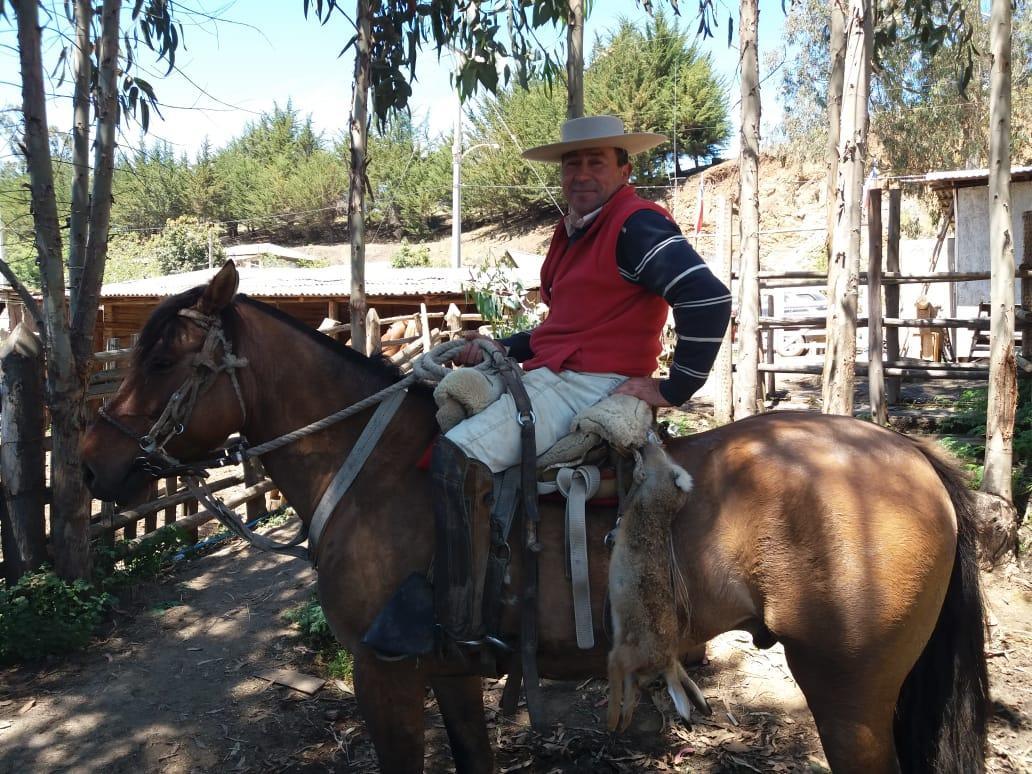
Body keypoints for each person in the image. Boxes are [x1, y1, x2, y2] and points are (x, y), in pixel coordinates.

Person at [369, 115, 732, 657]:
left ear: (624, 168)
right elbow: (562, 326)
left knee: (456, 455)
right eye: (572, 163)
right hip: (557, 370)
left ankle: (458, 622)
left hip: (589, 382)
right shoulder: (573, 232)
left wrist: (674, 389)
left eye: (596, 162)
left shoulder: (636, 225)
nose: (582, 173)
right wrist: (496, 347)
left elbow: (707, 299)